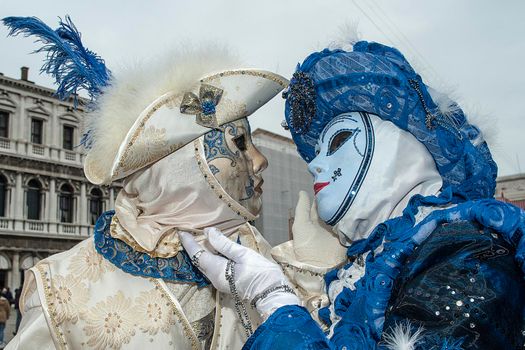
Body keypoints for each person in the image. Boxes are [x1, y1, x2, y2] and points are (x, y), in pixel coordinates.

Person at [181, 39, 525, 349]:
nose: (315, 166)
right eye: (314, 155)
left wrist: (274, 298)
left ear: (400, 150)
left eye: (339, 141)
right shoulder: (372, 268)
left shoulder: (467, 257)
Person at [3, 16, 288, 349]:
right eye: (240, 143)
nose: (259, 160)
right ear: (185, 170)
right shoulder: (63, 290)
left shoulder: (257, 255)